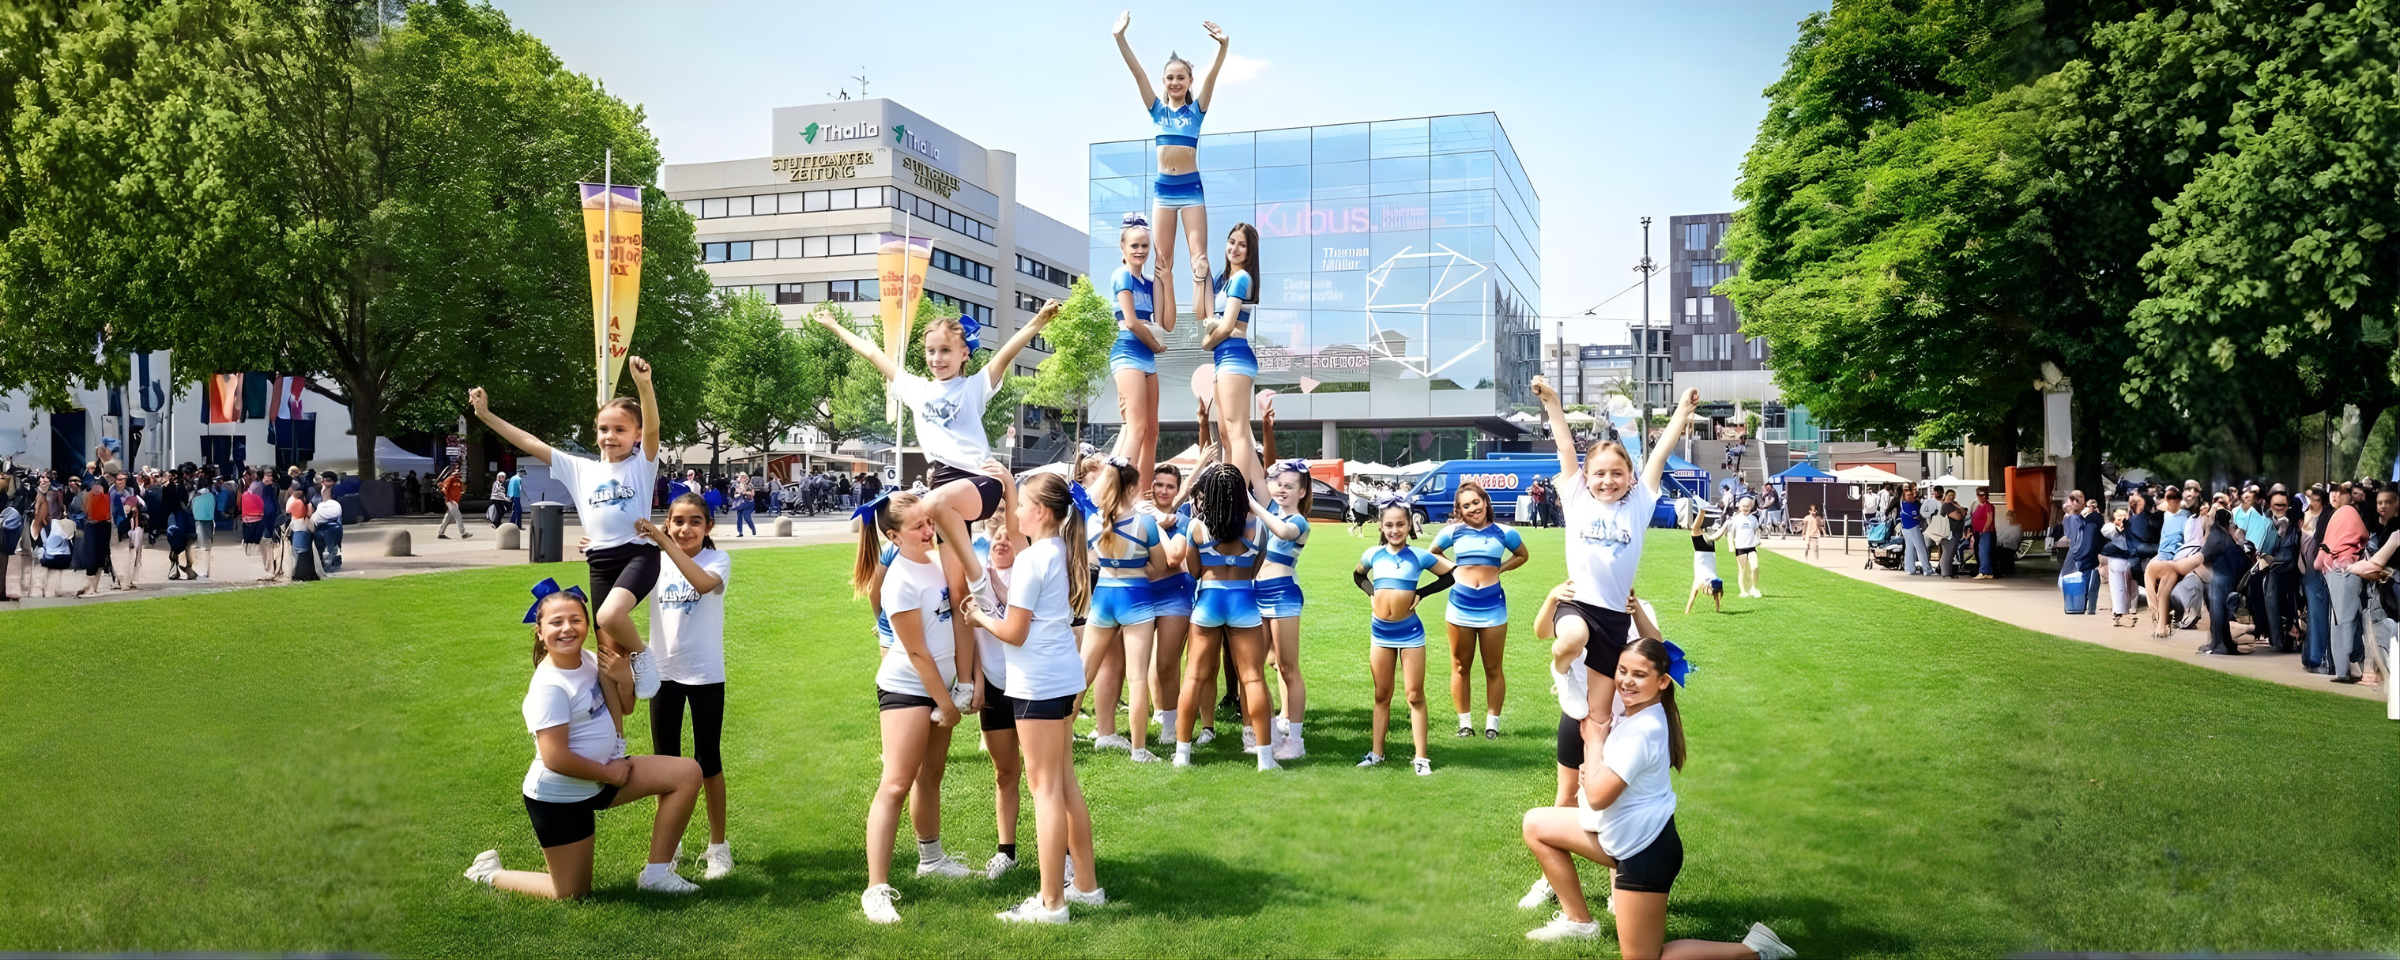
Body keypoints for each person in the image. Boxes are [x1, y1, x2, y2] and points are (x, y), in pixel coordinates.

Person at [1516, 638, 1797, 959]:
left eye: (1639, 674)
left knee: (1645, 958)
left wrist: (1594, 744)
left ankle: (1756, 950)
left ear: (1662, 681)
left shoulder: (1645, 729)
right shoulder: (1638, 715)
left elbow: (1596, 797)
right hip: (1621, 836)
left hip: (1645, 853)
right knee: (1536, 824)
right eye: (1622, 671)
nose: (1626, 680)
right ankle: (1579, 922)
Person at [461, 581, 703, 898]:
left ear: (587, 625)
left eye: (575, 620)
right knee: (572, 894)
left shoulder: (590, 660)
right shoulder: (549, 686)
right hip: (562, 796)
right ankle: (490, 874)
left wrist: (624, 678)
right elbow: (555, 757)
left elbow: (624, 709)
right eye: (556, 622)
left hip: (606, 776)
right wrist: (609, 773)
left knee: (687, 773)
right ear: (539, 631)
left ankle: (656, 877)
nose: (567, 629)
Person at [814, 303, 1055, 617]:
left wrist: (1038, 321)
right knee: (957, 596)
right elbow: (873, 354)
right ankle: (969, 667)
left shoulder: (973, 387)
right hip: (942, 481)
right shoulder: (917, 389)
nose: (937, 358)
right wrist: (834, 326)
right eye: (931, 351)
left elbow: (1006, 355)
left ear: (964, 354)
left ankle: (980, 580)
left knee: (926, 506)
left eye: (945, 350)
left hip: (978, 481)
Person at [472, 356, 668, 730]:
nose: (610, 436)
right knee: (609, 660)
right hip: (600, 562)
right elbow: (529, 442)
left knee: (610, 616)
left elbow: (655, 429)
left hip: (637, 555)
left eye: (620, 430)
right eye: (603, 429)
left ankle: (644, 657)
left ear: (636, 435)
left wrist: (645, 386)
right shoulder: (581, 468)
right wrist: (486, 416)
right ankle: (615, 739)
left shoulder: (641, 464)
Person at [1532, 375, 1701, 789]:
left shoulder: (1639, 505)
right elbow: (1566, 447)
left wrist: (1682, 411)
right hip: (1579, 604)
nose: (1607, 480)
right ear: (1586, 478)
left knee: (1600, 717)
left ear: (1630, 476)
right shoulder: (1575, 497)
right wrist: (1553, 401)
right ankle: (1559, 670)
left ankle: (1593, 785)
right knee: (1569, 641)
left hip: (1612, 620)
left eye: (1617, 473)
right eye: (1599, 474)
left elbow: (1659, 455)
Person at [962, 471, 1107, 923]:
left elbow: (1015, 632)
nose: (1013, 513)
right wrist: (1006, 480)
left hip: (1038, 683)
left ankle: (1051, 903)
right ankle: (1085, 885)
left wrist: (980, 616)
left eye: (1020, 504)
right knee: (1064, 785)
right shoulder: (1059, 548)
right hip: (1062, 677)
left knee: (1045, 790)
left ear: (1041, 512)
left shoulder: (1033, 558)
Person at [851, 489, 977, 924]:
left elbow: (962, 617)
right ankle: (876, 889)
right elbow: (918, 653)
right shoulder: (899, 579)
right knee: (896, 783)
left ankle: (932, 860)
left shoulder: (941, 561)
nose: (928, 530)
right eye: (918, 526)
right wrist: (948, 703)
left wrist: (965, 683)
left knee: (931, 775)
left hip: (943, 689)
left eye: (929, 522)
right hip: (908, 689)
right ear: (893, 535)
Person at [635, 495, 735, 880]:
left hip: (705, 674)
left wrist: (663, 541)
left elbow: (701, 583)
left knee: (708, 760)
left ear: (709, 527)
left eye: (695, 521)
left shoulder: (716, 561)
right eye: (677, 521)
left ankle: (718, 846)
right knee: (666, 764)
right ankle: (671, 843)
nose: (684, 529)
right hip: (664, 674)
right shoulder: (654, 559)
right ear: (668, 522)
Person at [1111, 11, 1230, 329]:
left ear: (1189, 82)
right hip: (1164, 191)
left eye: (1181, 77)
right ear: (1164, 83)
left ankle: (1207, 321)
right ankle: (1162, 325)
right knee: (1163, 263)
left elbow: (1213, 77)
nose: (1175, 82)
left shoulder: (1197, 111)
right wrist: (1120, 38)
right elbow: (1138, 75)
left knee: (1200, 260)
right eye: (1170, 78)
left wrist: (1222, 47)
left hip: (1191, 189)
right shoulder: (1157, 110)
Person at [1177, 462, 1284, 770]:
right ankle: (1265, 758)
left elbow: (1195, 570)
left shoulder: (1196, 527)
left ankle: (1182, 755)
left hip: (1208, 602)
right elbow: (1254, 568)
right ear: (1242, 493)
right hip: (1243, 602)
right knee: (1253, 678)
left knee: (1194, 677)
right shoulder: (1259, 526)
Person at [1352, 497, 1457, 775]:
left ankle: (1421, 758)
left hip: (1410, 633)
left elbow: (1452, 575)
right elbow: (1358, 576)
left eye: (1400, 524)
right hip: (1380, 633)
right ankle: (1377, 754)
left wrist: (1422, 593)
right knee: (1381, 694)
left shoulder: (1420, 556)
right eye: (1389, 525)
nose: (1395, 530)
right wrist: (1372, 592)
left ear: (1409, 524)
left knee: (1414, 695)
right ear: (1381, 526)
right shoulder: (1373, 555)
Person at [1077, 457, 1170, 762]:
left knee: (1081, 675)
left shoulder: (1094, 520)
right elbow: (1160, 564)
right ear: (1132, 487)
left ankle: (1061, 738)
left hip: (1104, 596)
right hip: (1136, 597)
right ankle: (1139, 750)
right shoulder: (1145, 522)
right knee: (1137, 678)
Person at [1430, 480, 1528, 740]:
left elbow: (1522, 555)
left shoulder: (1505, 533)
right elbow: (1432, 554)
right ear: (1459, 510)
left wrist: (1500, 569)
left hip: (1493, 605)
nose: (1473, 508)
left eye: (1476, 502)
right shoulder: (1452, 532)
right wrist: (1454, 569)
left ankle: (1492, 725)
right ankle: (1465, 724)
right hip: (1460, 605)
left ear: (1485, 501)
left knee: (1493, 667)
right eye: (1466, 505)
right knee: (1461, 666)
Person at [970, 514, 1027, 880]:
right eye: (997, 538)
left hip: (1033, 686)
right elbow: (971, 638)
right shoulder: (976, 580)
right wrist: (975, 681)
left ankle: (1067, 854)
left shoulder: (1029, 576)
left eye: (1011, 537)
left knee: (1045, 777)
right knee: (1005, 773)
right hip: (994, 685)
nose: (1003, 542)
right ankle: (1006, 853)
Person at [1255, 442, 1315, 760]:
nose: (1282, 489)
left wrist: (1254, 506)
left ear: (1302, 492)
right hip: (1257, 594)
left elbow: (1282, 530)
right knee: (1266, 663)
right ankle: (1273, 729)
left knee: (1289, 668)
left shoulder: (1298, 521)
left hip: (1283, 595)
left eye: (1289, 486)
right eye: (1279, 484)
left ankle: (1296, 740)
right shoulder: (1271, 511)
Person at [1103, 214, 1169, 496]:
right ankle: (1115, 492)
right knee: (1136, 427)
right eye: (1134, 246)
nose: (1140, 250)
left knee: (1152, 430)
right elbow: (1130, 321)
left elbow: (1166, 322)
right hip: (1129, 352)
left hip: (1147, 358)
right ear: (1123, 247)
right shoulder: (1122, 276)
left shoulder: (1150, 283)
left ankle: (1142, 496)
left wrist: (1166, 280)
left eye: (1144, 245)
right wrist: (1154, 344)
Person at [1202, 223, 1264, 481]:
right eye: (1231, 242)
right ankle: (1256, 492)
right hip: (1223, 359)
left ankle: (1233, 494)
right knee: (1227, 433)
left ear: (1250, 252)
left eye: (1242, 244)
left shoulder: (1242, 278)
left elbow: (1227, 325)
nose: (1235, 248)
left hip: (1235, 357)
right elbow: (1205, 315)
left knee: (1236, 431)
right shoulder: (1222, 279)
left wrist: (1207, 343)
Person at [1145, 462, 1199, 749]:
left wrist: (1157, 523)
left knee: (1167, 663)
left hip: (1175, 595)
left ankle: (1171, 723)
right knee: (1138, 665)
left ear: (1178, 491)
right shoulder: (1137, 517)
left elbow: (1173, 559)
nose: (1164, 490)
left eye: (1170, 486)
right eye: (1159, 484)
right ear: (1150, 486)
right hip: (1141, 595)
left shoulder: (1183, 519)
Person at [2145, 484, 2203, 637]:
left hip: (2180, 558)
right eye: (2169, 498)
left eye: (2174, 498)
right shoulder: (2166, 512)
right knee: (2150, 574)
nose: (2171, 501)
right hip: (2164, 556)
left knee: (2167, 579)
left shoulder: (2190, 516)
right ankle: (2158, 617)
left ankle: (2162, 623)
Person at [2198, 506, 2251, 656]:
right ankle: (2222, 643)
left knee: (2217, 613)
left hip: (2220, 578)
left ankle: (2219, 645)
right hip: (2225, 577)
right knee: (2218, 613)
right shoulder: (2222, 534)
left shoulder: (2216, 534)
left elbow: (2204, 555)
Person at [1685, 505, 1726, 615]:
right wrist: (1686, 612)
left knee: (1698, 529)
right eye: (1710, 591)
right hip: (1703, 552)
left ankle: (1704, 511)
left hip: (1709, 553)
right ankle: (1703, 510)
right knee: (1694, 529)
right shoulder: (1701, 582)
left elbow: (1716, 597)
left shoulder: (1713, 583)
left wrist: (1718, 611)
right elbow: (1692, 596)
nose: (1708, 594)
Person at [1726, 496, 1764, 598]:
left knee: (1755, 567)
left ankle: (1754, 588)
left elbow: (1757, 530)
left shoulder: (1753, 519)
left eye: (1748, 506)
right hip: (1740, 548)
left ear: (1751, 507)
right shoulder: (1735, 519)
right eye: (1744, 506)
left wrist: (1758, 539)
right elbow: (1730, 533)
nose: (1746, 508)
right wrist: (1731, 545)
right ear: (1740, 506)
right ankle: (1743, 591)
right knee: (1742, 570)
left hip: (1751, 547)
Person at [1898, 483, 1928, 576]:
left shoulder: (1917, 502)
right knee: (1916, 547)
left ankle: (1913, 568)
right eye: (1908, 495)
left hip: (1913, 526)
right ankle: (1924, 568)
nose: (1910, 496)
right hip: (1909, 527)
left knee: (1915, 547)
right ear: (1903, 495)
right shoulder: (1901, 501)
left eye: (1912, 494)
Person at [1970, 488, 1997, 579]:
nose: (1984, 497)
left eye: (1985, 495)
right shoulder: (1978, 506)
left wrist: (1984, 529)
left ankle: (1984, 571)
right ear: (1978, 496)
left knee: (1983, 552)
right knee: (1982, 552)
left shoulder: (1988, 506)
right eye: (1981, 495)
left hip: (1985, 532)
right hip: (1978, 532)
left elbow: (1990, 519)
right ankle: (1987, 571)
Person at [436, 467, 468, 540]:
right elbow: (445, 490)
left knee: (447, 518)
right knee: (458, 517)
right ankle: (463, 533)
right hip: (451, 501)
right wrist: (449, 499)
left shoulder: (458, 481)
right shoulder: (450, 479)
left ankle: (440, 533)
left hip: (454, 502)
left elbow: (458, 491)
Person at [732, 473, 756, 538]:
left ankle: (753, 529)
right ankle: (740, 532)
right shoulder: (738, 485)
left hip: (748, 503)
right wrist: (739, 494)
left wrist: (745, 493)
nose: (744, 479)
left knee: (746, 516)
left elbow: (752, 494)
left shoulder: (749, 485)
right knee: (739, 517)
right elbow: (735, 494)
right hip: (740, 503)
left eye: (745, 477)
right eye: (742, 477)